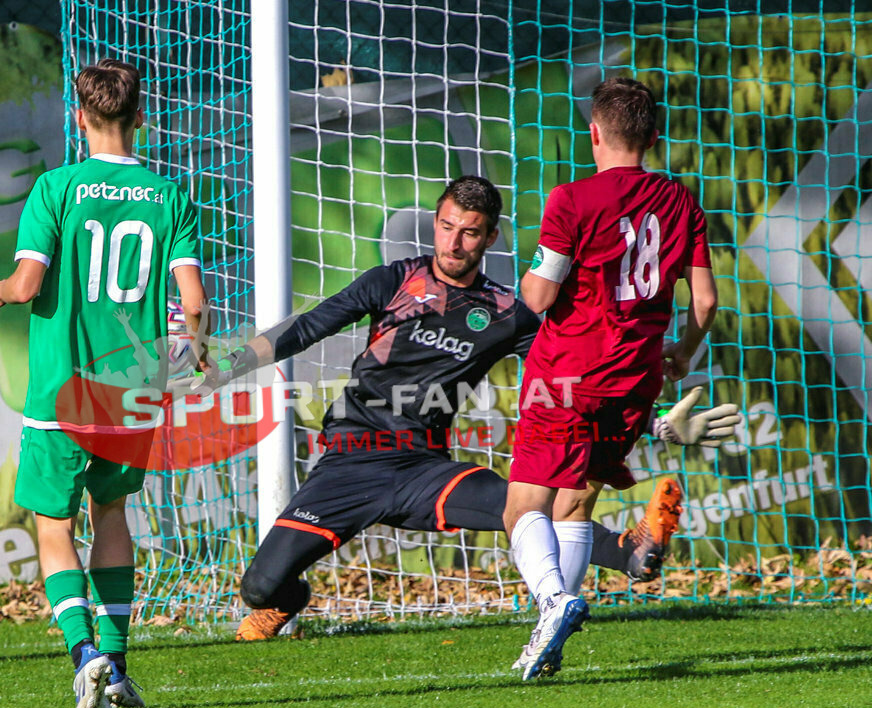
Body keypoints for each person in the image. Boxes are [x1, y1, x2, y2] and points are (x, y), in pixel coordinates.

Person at [189, 175, 734, 650]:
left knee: (523, 510)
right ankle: (287, 601)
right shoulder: (393, 280)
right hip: (350, 462)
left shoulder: (509, 314)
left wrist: (658, 421)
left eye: (469, 231)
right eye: (447, 226)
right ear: (435, 223)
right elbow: (308, 327)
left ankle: (630, 550)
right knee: (260, 587)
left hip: (424, 468)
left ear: (489, 237)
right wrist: (227, 365)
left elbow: (575, 381)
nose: (454, 241)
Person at [0, 59, 207, 708]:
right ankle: (119, 665)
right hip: (130, 394)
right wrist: (195, 350)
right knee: (113, 515)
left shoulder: (56, 189)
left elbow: (25, 286)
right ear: (140, 118)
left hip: (60, 392)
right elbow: (193, 304)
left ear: (80, 116)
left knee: (53, 525)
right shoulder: (171, 198)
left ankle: (86, 656)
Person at [504, 77, 718, 680]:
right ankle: (551, 643)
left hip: (568, 372)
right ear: (653, 137)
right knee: (576, 502)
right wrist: (683, 351)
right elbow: (705, 303)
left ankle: (554, 603)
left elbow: (542, 295)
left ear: (593, 133)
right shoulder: (682, 202)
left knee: (523, 507)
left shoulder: (571, 200)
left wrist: (528, 280)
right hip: (636, 378)